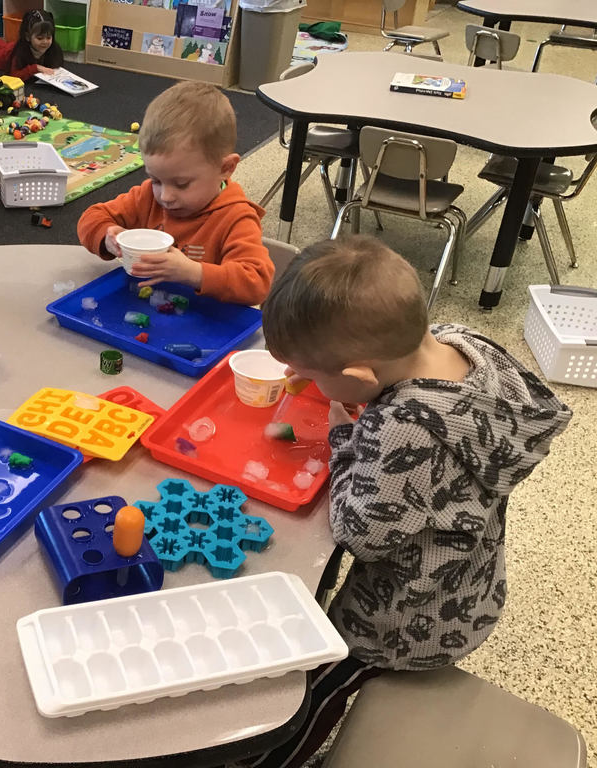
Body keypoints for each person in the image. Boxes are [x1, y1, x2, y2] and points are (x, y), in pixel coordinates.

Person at [244, 236, 572, 767]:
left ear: (357, 378)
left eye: (314, 374)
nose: (307, 382)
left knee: (324, 684)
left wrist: (346, 438)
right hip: (470, 582)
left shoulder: (402, 429)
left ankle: (276, 759)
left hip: (405, 619)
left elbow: (359, 533)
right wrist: (325, 373)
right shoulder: (460, 343)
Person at [77, 81, 274, 306]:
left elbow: (257, 282)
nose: (166, 196)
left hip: (208, 328)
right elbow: (91, 218)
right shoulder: (148, 197)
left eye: (181, 184)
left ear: (225, 168)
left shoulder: (236, 217)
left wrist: (193, 273)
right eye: (156, 180)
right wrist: (108, 237)